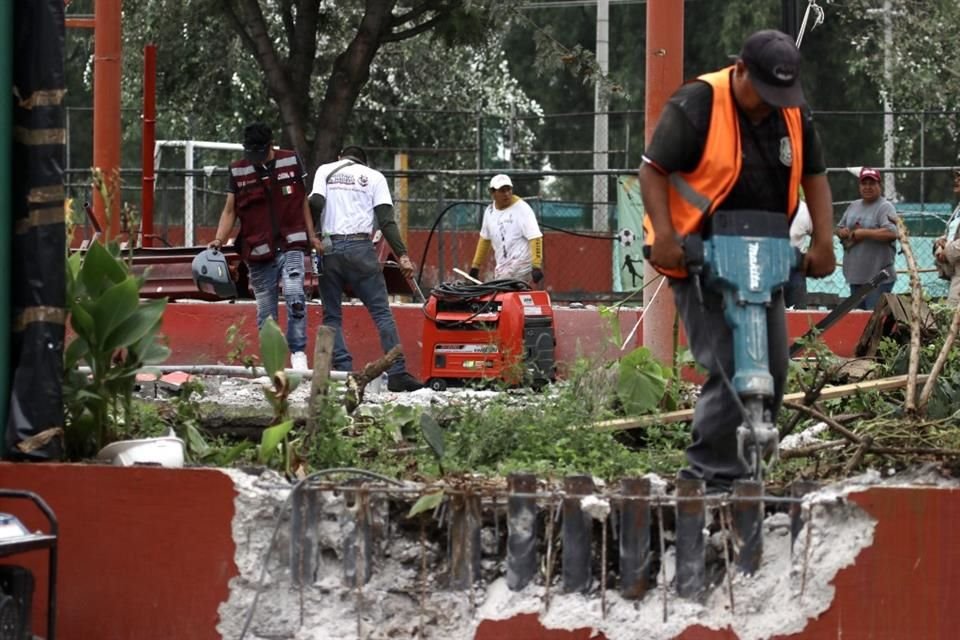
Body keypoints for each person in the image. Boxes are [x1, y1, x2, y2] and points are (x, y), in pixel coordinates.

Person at [639, 29, 836, 492]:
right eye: (764, 92)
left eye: (780, 94)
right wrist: (665, 236)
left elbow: (815, 176)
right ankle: (709, 479)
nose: (771, 104)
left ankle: (747, 472)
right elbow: (652, 169)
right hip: (699, 254)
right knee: (729, 364)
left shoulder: (793, 112)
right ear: (740, 69)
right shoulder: (698, 103)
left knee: (771, 368)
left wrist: (823, 242)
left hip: (764, 251)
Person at [308, 145, 422, 392]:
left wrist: (310, 236)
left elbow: (315, 202)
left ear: (340, 157)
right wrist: (402, 255)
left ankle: (343, 371)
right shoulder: (374, 177)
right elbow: (387, 221)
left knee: (332, 315)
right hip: (361, 248)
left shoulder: (325, 170)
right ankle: (397, 372)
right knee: (381, 312)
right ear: (364, 162)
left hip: (329, 248)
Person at [209, 121, 319, 371]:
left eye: (259, 153)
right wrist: (218, 238)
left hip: (292, 243)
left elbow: (302, 202)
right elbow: (230, 210)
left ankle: (298, 353)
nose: (255, 159)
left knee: (294, 293)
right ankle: (273, 364)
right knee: (266, 312)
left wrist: (312, 236)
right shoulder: (238, 171)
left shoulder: (290, 161)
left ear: (270, 146)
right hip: (257, 250)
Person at [836, 167, 899, 310]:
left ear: (879, 186)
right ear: (860, 186)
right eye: (864, 184)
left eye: (872, 183)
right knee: (858, 321)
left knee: (872, 320)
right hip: (856, 276)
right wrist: (842, 232)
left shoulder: (885, 207)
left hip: (878, 278)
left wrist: (864, 233)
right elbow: (838, 228)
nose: (867, 187)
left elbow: (892, 233)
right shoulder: (853, 205)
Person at [468, 174, 544, 284]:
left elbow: (535, 237)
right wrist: (475, 266)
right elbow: (484, 240)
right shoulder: (489, 212)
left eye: (509, 189)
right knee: (501, 294)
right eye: (502, 191)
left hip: (521, 264)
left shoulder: (522, 209)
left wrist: (536, 266)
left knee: (502, 291)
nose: (507, 194)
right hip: (504, 268)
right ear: (493, 193)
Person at [933, 167, 960, 306]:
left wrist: (947, 251)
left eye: (959, 177)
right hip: (954, 271)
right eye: (956, 177)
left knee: (954, 314)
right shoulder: (958, 208)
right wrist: (939, 244)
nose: (956, 180)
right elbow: (951, 234)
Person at [784, 196, 812, 308]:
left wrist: (810, 254)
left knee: (798, 312)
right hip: (769, 266)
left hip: (796, 269)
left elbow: (817, 233)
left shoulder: (805, 210)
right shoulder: (766, 204)